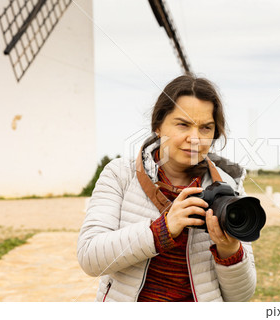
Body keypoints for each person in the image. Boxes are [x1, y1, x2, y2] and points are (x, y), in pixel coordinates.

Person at [77, 75, 256, 302]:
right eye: (183, 124)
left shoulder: (230, 189)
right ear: (158, 126)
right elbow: (89, 258)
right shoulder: (120, 174)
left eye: (205, 128)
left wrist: (229, 251)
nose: (195, 138)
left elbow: (242, 296)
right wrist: (162, 230)